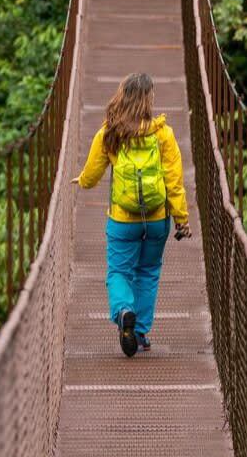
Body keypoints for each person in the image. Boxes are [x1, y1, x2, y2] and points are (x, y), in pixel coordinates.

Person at [72, 72, 191, 357]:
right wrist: (181, 218)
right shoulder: (163, 134)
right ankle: (138, 333)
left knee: (118, 272)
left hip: (123, 220)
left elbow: (92, 174)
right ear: (149, 99)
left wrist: (82, 181)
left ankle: (124, 310)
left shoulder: (110, 132)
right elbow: (174, 181)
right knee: (147, 272)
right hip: (157, 220)